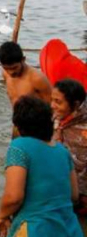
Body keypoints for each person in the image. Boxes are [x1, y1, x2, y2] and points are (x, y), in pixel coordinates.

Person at [0, 96, 85, 237]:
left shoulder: (19, 147)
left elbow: (14, 198)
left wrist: (1, 216)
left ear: (18, 126)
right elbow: (73, 195)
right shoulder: (62, 151)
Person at [51, 79, 87, 215]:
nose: (52, 105)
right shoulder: (57, 116)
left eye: (58, 102)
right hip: (60, 188)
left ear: (76, 104)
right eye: (52, 100)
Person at [0, 41, 52, 106]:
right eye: (6, 68)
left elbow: (52, 106)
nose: (11, 72)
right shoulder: (5, 74)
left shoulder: (37, 79)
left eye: (14, 68)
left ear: (23, 60)